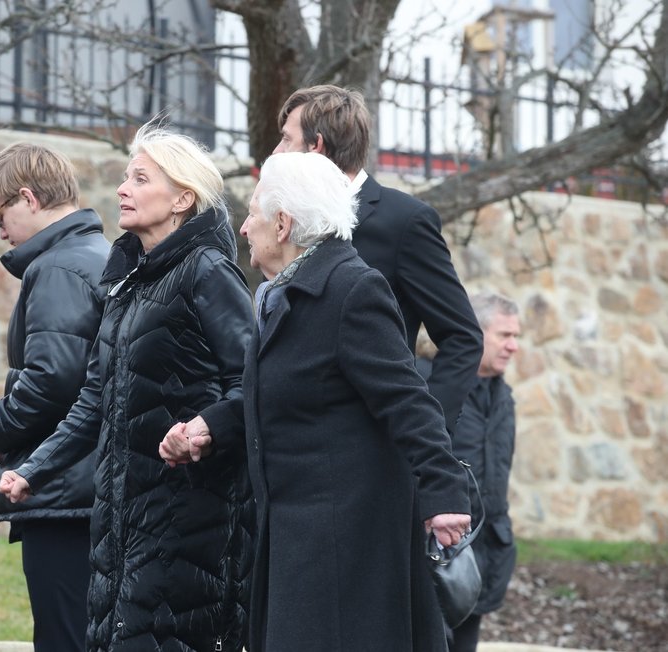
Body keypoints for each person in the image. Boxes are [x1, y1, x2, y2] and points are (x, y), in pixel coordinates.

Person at [161, 151, 472, 651]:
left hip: (343, 546)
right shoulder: (281, 295)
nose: (244, 228)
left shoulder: (351, 289)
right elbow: (286, 393)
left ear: (282, 224)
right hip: (293, 536)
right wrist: (212, 426)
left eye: (254, 214)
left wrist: (444, 491)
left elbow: (408, 401)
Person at [0, 124, 255, 651]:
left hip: (190, 519)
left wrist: (204, 430)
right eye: (124, 177)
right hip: (120, 517)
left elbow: (254, 383)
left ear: (182, 198)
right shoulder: (127, 281)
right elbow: (95, 400)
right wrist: (34, 469)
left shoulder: (208, 271)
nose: (122, 189)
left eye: (140, 179)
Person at [0, 143, 110, 651]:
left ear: (27, 198)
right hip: (97, 485)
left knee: (63, 636)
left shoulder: (58, 268)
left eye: (1, 217)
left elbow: (53, 379)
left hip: (65, 493)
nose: (1, 233)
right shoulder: (101, 255)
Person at [272, 84, 483, 434]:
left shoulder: (405, 221)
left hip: (373, 452)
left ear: (316, 146)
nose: (276, 152)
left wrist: (425, 432)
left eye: (285, 140)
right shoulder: (287, 222)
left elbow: (462, 338)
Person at [422, 291, 520, 652]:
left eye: (516, 337)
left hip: (483, 550)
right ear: (474, 332)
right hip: (435, 553)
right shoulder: (428, 383)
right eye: (504, 335)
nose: (513, 346)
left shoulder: (503, 397)